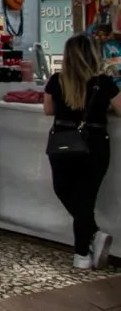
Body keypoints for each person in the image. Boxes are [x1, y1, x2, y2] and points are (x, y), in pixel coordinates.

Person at [44, 34, 121, 269]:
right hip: (95, 143)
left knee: (64, 190)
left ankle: (88, 245)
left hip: (65, 141)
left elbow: (48, 110)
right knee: (86, 198)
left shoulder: (56, 81)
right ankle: (84, 250)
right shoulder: (104, 83)